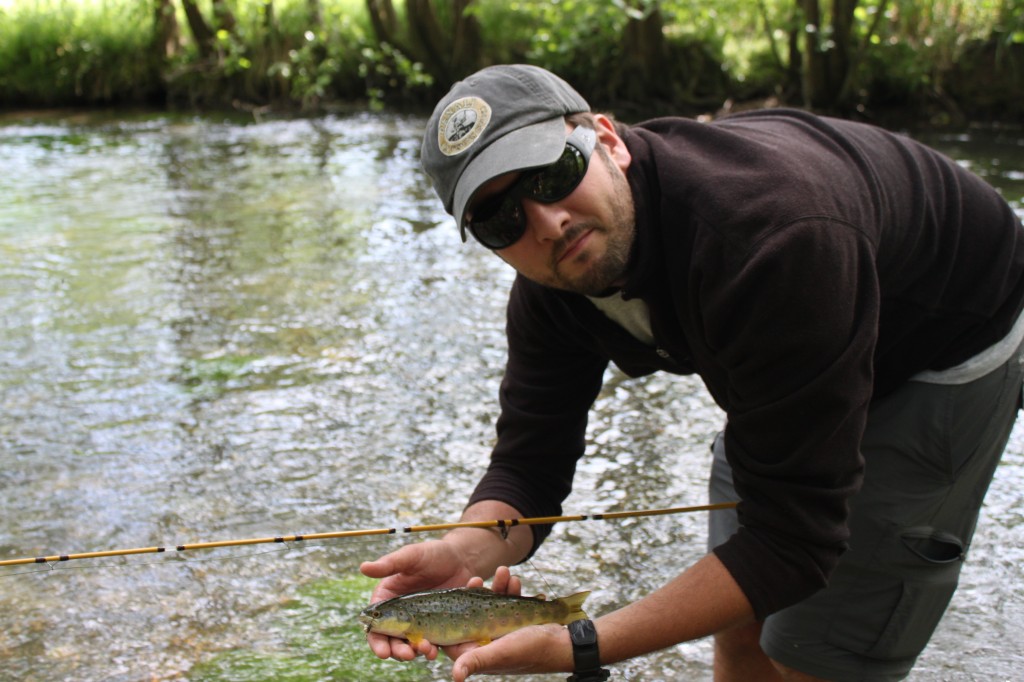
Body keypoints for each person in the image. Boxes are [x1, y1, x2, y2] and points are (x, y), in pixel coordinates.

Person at [360, 64, 1024, 681]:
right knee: (743, 627)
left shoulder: (769, 240)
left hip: (947, 341)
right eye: (501, 219)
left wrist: (579, 642)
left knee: (813, 656)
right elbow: (530, 465)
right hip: (800, 347)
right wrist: (465, 551)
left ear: (608, 141)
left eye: (552, 173)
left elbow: (794, 545)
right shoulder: (551, 286)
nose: (548, 221)